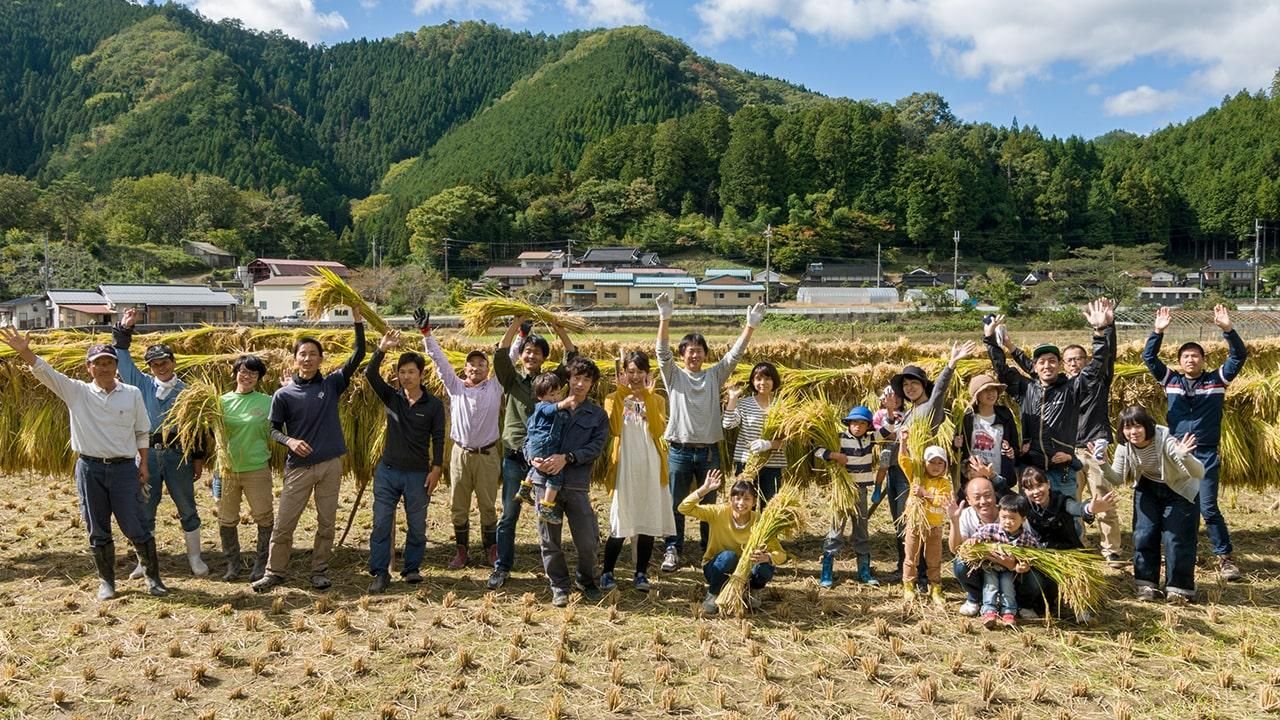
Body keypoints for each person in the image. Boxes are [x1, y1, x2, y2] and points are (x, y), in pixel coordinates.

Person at [0, 329, 166, 599]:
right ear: (89, 368)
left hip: (124, 469)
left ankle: (153, 579)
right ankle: (107, 583)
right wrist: (24, 352)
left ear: (116, 366)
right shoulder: (77, 392)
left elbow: (141, 432)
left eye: (109, 362)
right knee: (97, 527)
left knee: (136, 524)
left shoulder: (132, 393)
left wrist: (144, 464)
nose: (104, 368)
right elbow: (45, 372)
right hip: (90, 469)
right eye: (98, 363)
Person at [252, 308, 365, 592]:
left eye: (313, 354)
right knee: (284, 523)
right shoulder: (283, 394)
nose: (308, 358)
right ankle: (274, 572)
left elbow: (359, 355)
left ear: (320, 359)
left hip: (330, 465)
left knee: (326, 522)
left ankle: (319, 570)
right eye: (303, 354)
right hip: (299, 468)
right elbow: (273, 429)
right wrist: (289, 441)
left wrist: (358, 321)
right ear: (295, 359)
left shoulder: (332, 384)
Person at [655, 293, 766, 572]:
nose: (694, 355)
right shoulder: (674, 375)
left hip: (708, 453)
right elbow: (661, 352)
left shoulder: (714, 376)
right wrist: (664, 318)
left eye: (699, 350)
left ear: (705, 354)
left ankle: (710, 549)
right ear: (682, 355)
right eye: (689, 351)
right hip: (679, 451)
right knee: (676, 503)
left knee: (711, 505)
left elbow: (734, 355)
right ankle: (673, 548)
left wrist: (750, 326)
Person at [1143, 304, 1246, 581]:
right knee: (1174, 507)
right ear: (1180, 361)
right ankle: (1174, 553)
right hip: (1176, 454)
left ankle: (1225, 558)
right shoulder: (1171, 381)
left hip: (1206, 454)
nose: (1191, 360)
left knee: (1208, 508)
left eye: (1195, 356)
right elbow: (1149, 357)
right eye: (1186, 356)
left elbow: (1239, 356)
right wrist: (1157, 332)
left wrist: (1228, 329)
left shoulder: (1216, 381)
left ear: (1203, 360)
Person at [984, 300, 1113, 514]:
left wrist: (1099, 331)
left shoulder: (1072, 389)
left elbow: (1096, 367)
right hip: (1031, 468)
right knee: (1032, 517)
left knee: (1068, 516)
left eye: (1052, 361)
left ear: (1060, 365)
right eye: (1042, 361)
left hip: (1061, 469)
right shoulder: (1025, 389)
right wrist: (990, 340)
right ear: (1034, 367)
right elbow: (1001, 369)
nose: (1047, 365)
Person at [112, 308, 208, 578]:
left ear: (173, 362)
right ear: (150, 367)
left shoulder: (188, 392)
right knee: (145, 508)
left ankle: (195, 558)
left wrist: (198, 459)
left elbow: (198, 428)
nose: (161, 367)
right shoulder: (141, 384)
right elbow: (122, 358)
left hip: (178, 454)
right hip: (147, 455)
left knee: (187, 506)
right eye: (155, 364)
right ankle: (144, 562)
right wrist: (124, 328)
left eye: (164, 362)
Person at [489, 315, 578, 590]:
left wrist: (559, 329)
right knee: (508, 516)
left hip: (544, 462)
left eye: (537, 352)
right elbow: (501, 353)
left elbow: (572, 357)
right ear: (522, 354)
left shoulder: (550, 383)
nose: (531, 356)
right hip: (515, 458)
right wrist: (516, 323)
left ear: (544, 358)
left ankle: (553, 573)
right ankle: (502, 567)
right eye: (528, 351)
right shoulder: (512, 381)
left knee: (547, 515)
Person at [420, 310, 504, 571]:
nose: (476, 367)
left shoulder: (495, 387)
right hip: (460, 454)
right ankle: (462, 551)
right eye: (471, 364)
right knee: (458, 505)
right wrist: (427, 334)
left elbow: (509, 358)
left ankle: (491, 549)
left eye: (481, 364)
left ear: (488, 370)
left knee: (488, 505)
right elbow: (439, 361)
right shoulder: (455, 387)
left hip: (488, 455)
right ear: (465, 368)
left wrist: (520, 333)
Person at [364, 329, 445, 593]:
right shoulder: (392, 397)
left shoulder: (433, 405)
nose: (406, 376)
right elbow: (370, 374)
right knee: (381, 523)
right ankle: (380, 572)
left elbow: (439, 438)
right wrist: (382, 349)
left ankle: (411, 568)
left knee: (417, 525)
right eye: (402, 372)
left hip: (418, 474)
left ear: (421, 374)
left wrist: (436, 469)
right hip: (388, 472)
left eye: (411, 372)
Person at [884, 341, 972, 583]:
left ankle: (922, 575)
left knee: (916, 523)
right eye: (905, 384)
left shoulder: (929, 409)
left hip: (914, 475)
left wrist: (951, 364)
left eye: (914, 383)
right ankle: (905, 568)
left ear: (924, 385)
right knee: (903, 522)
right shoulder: (909, 412)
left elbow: (940, 391)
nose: (909, 387)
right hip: (898, 471)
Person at [1100, 405, 1204, 604]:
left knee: (1176, 538)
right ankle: (1147, 585)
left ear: (1147, 425)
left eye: (1137, 426)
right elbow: (1117, 478)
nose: (1133, 432)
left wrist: (1185, 456)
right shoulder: (1125, 446)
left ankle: (1179, 589)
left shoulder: (1165, 440)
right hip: (1148, 488)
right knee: (1144, 534)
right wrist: (1103, 464)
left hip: (1179, 490)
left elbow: (1199, 472)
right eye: (1127, 428)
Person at [528, 357, 610, 607]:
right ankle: (559, 586)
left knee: (588, 541)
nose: (580, 383)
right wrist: (532, 459)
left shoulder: (598, 415)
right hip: (544, 482)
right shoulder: (549, 406)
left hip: (576, 483)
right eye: (576, 378)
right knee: (549, 540)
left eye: (586, 379)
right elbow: (529, 436)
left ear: (593, 384)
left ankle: (586, 580)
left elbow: (596, 447)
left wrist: (567, 458)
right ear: (569, 379)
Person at [599, 351, 675, 592]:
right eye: (630, 371)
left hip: (651, 466)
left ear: (647, 373)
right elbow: (614, 428)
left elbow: (658, 430)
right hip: (625, 466)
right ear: (623, 372)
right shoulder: (613, 398)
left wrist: (648, 397)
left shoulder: (657, 399)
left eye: (640, 371)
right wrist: (622, 393)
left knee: (647, 519)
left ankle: (641, 573)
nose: (635, 376)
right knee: (620, 519)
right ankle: (607, 572)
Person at [1056, 299, 1123, 566]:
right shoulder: (1060, 387)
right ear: (1063, 364)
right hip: (1069, 451)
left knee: (1103, 499)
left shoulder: (1098, 380)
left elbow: (1108, 355)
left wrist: (1107, 327)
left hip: (1095, 447)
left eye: (1079, 359)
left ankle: (1111, 549)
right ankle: (1079, 545)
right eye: (1070, 360)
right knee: (1072, 501)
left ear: (1087, 360)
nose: (1075, 363)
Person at [678, 469, 786, 616]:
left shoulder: (760, 521)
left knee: (765, 565)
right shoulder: (718, 513)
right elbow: (683, 508)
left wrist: (768, 557)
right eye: (737, 498)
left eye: (746, 499)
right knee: (729, 556)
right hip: (717, 568)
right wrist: (705, 489)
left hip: (745, 573)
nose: (741, 503)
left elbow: (781, 554)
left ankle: (753, 590)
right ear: (730, 499)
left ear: (754, 502)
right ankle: (713, 594)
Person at [215, 354, 275, 582]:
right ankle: (233, 564)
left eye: (253, 373)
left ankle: (262, 563)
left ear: (259, 378)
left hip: (256, 468)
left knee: (264, 516)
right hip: (227, 470)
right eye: (243, 371)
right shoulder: (220, 402)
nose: (247, 376)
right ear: (235, 373)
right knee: (226, 518)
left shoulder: (267, 402)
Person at [814, 405, 880, 588]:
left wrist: (889, 412)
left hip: (860, 491)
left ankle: (864, 571)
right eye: (854, 423)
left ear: (868, 426)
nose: (857, 426)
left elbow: (887, 430)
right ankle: (826, 571)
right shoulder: (839, 438)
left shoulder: (870, 439)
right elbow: (817, 450)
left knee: (861, 530)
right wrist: (835, 455)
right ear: (848, 424)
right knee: (836, 530)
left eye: (862, 423)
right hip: (842, 491)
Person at [965, 494, 1041, 628]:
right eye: (1004, 517)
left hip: (1009, 570)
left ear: (1023, 519)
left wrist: (1025, 564)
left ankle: (1008, 613)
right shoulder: (992, 529)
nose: (1007, 522)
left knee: (1008, 588)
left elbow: (1035, 553)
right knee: (990, 586)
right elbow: (978, 534)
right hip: (991, 566)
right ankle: (989, 612)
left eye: (1012, 518)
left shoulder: (1027, 538)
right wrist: (975, 539)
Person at [899, 438, 953, 607]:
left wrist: (925, 494)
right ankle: (909, 585)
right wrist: (903, 442)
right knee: (911, 557)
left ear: (945, 466)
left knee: (934, 559)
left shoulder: (944, 483)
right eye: (932, 462)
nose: (936, 466)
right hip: (915, 525)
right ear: (924, 463)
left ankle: (935, 587)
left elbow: (942, 501)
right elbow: (904, 461)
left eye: (940, 463)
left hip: (934, 527)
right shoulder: (916, 477)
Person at [723, 362, 786, 505]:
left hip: (773, 464)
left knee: (769, 506)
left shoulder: (782, 406)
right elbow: (728, 424)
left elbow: (789, 440)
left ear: (774, 381)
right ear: (752, 381)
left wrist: (768, 444)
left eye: (767, 378)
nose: (763, 382)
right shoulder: (744, 404)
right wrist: (733, 399)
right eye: (758, 379)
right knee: (744, 505)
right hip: (746, 462)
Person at [522, 373, 578, 524]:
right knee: (555, 473)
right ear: (540, 397)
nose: (556, 397)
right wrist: (564, 403)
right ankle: (546, 507)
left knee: (538, 464)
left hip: (536, 446)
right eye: (551, 395)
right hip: (544, 444)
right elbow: (551, 410)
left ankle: (525, 488)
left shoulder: (536, 411)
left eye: (558, 393)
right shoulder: (543, 407)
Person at [955, 374, 1019, 496]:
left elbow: (1015, 445)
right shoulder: (967, 417)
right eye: (986, 390)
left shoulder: (1005, 414)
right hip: (974, 478)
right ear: (977, 395)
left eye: (993, 389)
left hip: (998, 477)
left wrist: (1011, 451)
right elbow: (959, 450)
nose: (991, 393)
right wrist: (956, 444)